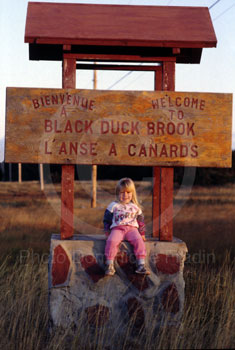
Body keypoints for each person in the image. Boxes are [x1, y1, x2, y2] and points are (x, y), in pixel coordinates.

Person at [103, 177, 150, 276]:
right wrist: (107, 231)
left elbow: (141, 221)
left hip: (132, 229)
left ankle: (141, 265)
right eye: (122, 192)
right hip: (117, 229)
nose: (125, 195)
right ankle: (109, 265)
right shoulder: (113, 205)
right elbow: (107, 219)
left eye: (128, 192)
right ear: (117, 193)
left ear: (132, 194)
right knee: (112, 241)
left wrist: (142, 233)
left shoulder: (135, 207)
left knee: (139, 242)